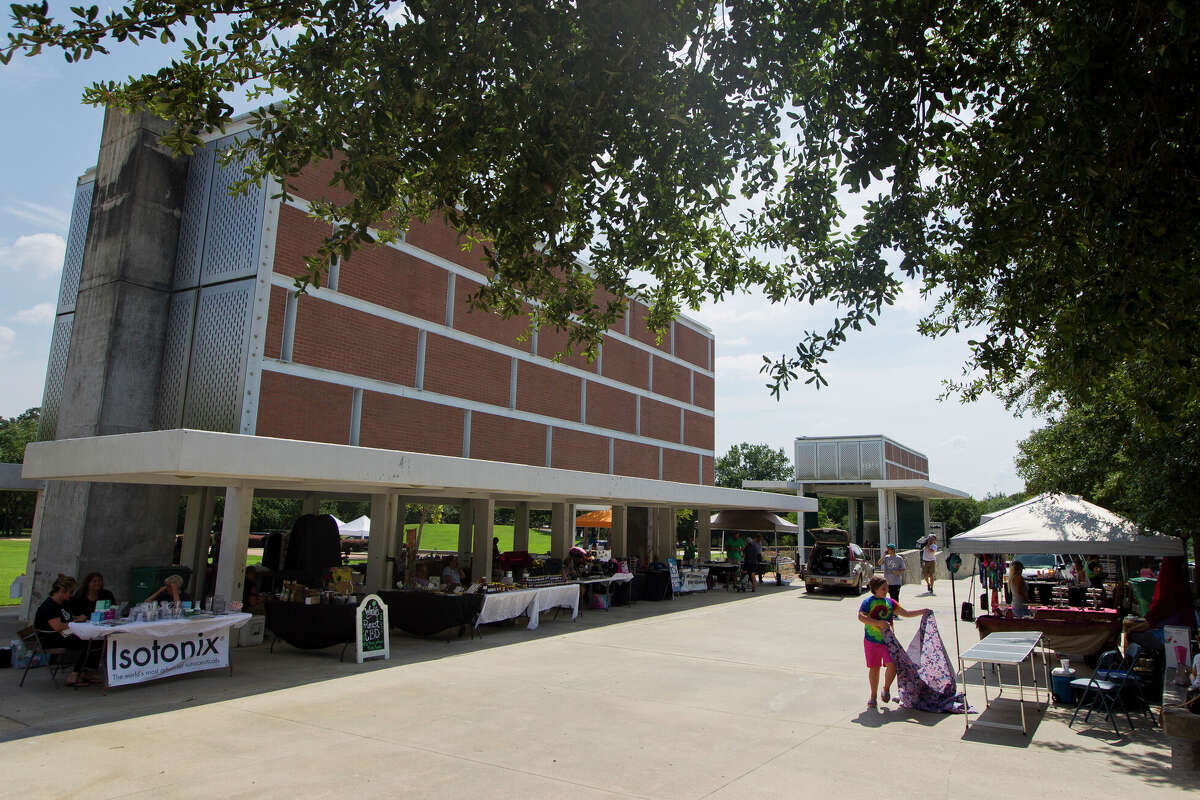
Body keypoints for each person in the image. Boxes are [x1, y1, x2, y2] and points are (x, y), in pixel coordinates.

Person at [858, 575, 930, 707]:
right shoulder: (868, 602)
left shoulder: (890, 602)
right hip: (871, 641)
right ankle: (873, 696)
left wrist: (922, 611)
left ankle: (886, 688)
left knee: (893, 665)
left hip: (888, 641)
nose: (886, 591)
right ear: (875, 589)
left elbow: (906, 613)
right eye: (883, 589)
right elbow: (861, 617)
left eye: (886, 588)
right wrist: (878, 623)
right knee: (874, 668)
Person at [34, 574, 101, 687]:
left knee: (97, 639)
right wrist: (75, 623)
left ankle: (86, 671)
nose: (70, 595)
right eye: (69, 592)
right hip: (51, 638)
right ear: (61, 591)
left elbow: (67, 619)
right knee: (87, 642)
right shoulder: (49, 606)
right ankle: (74, 675)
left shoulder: (63, 604)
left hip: (63, 634)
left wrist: (77, 619)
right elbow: (58, 626)